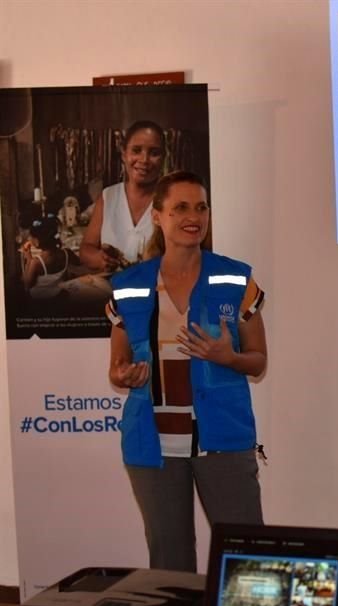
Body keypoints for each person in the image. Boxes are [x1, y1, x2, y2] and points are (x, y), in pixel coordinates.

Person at [107, 171, 268, 572]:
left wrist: (228, 357)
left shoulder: (235, 279)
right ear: (158, 217)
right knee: (169, 563)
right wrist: (123, 375)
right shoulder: (128, 285)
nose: (193, 216)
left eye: (200, 207)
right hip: (152, 446)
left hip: (224, 441)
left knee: (247, 557)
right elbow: (117, 367)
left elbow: (259, 360)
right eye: (180, 207)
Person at [80, 120, 165, 272]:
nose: (144, 160)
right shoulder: (108, 196)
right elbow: (86, 249)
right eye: (136, 150)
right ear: (124, 154)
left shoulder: (171, 200)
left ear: (163, 158)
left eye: (154, 153)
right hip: (113, 290)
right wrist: (99, 259)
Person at [20, 212, 80, 299]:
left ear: (37, 242)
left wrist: (28, 258)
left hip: (40, 302)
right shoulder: (66, 253)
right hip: (58, 297)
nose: (29, 239)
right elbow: (78, 262)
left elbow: (27, 284)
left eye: (30, 237)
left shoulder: (36, 262)